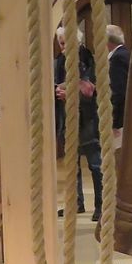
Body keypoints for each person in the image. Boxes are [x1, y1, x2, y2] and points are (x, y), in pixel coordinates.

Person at [55, 26, 102, 221]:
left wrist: (71, 94)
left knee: (95, 165)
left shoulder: (88, 59)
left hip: (88, 120)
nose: (63, 47)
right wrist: (57, 91)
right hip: (67, 119)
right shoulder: (60, 61)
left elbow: (93, 90)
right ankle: (76, 203)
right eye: (61, 44)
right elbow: (56, 83)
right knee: (72, 166)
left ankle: (100, 206)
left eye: (66, 43)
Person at [107, 24, 130, 147]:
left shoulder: (117, 58)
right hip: (126, 113)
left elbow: (119, 91)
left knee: (117, 150)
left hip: (121, 117)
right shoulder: (126, 53)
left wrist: (115, 122)